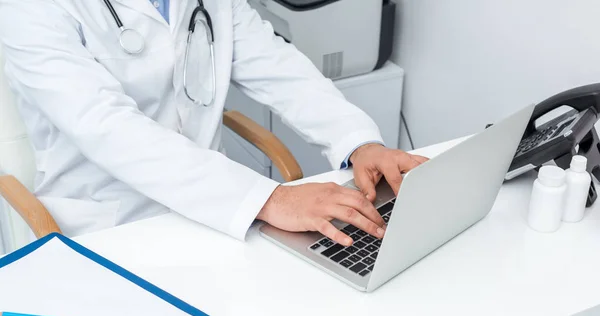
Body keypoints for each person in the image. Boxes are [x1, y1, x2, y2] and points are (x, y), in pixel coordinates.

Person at [0, 0, 427, 246]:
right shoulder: (29, 8)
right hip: (113, 224)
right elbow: (106, 126)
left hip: (226, 211)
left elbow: (272, 62)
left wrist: (356, 141)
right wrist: (269, 200)